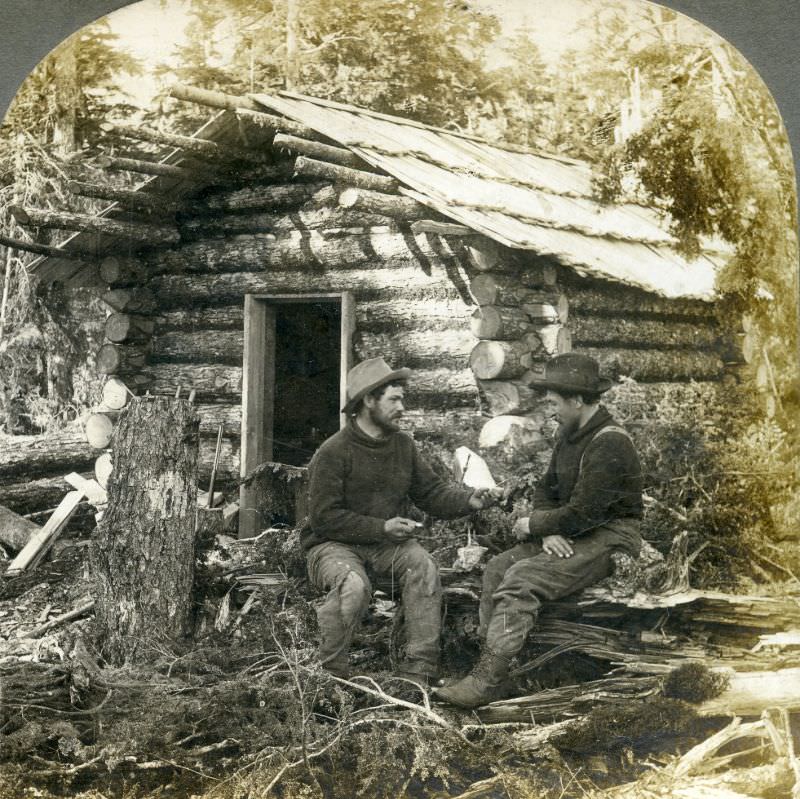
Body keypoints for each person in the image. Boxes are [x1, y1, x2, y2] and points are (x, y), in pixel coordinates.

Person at [436, 352, 643, 708]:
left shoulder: (609, 442)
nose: (551, 409)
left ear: (577, 400)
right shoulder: (570, 433)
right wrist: (546, 531)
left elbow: (587, 512)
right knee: (498, 569)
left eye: (554, 402)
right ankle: (491, 670)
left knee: (523, 578)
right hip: (576, 530)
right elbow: (547, 490)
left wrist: (534, 524)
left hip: (611, 537)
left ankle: (487, 682)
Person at [303, 356, 498, 685]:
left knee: (423, 567)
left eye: (402, 399)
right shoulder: (333, 452)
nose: (402, 407)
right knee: (353, 585)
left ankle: (416, 677)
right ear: (368, 401)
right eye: (394, 399)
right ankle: (331, 678)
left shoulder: (402, 445)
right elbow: (324, 519)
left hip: (386, 546)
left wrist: (469, 499)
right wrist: (381, 527)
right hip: (333, 547)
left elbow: (431, 492)